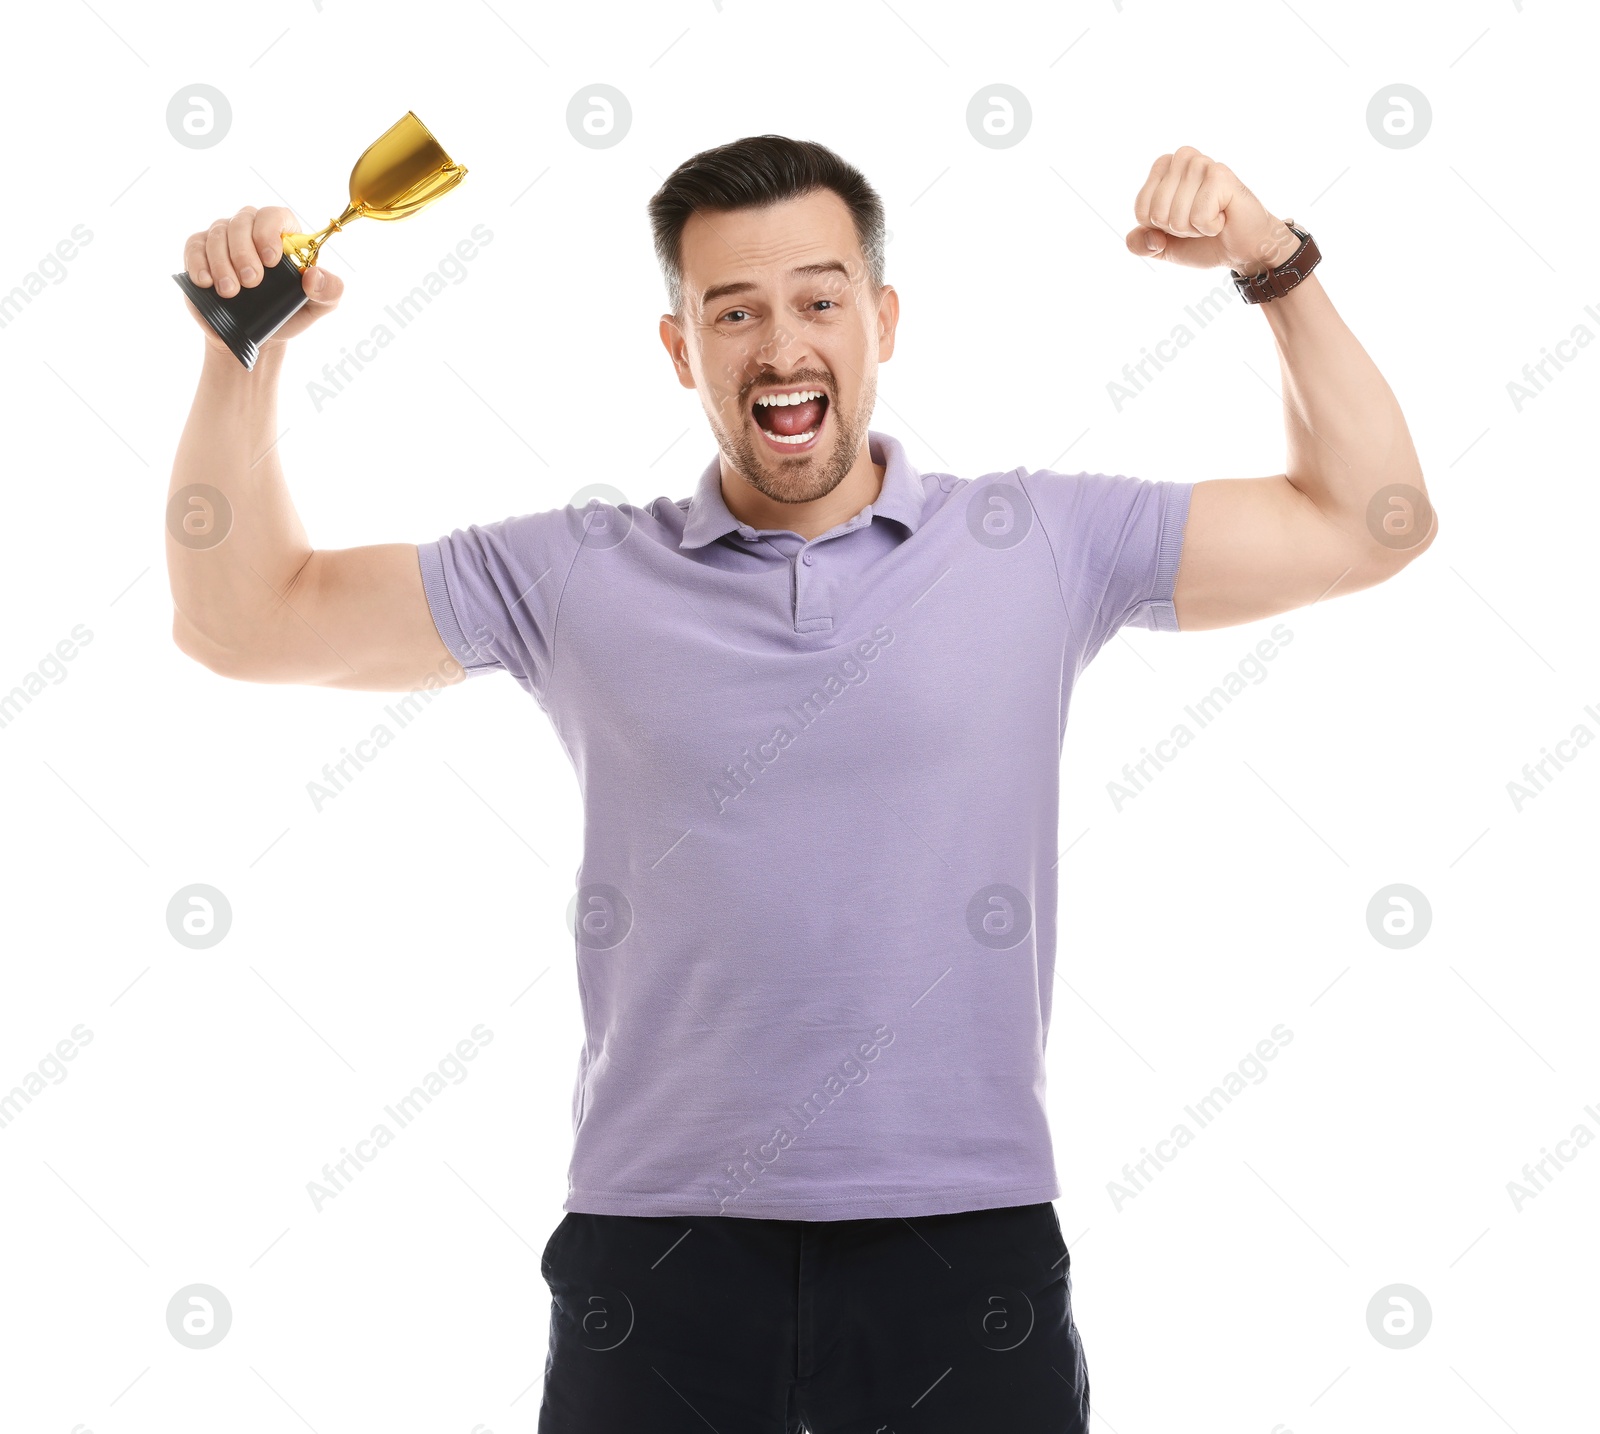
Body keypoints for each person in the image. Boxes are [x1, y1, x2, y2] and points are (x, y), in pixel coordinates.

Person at [168, 134, 1435, 1434]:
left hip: (965, 1247)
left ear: (881, 322)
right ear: (680, 349)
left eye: (820, 299)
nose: (782, 345)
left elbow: (1374, 519)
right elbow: (242, 618)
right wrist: (239, 350)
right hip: (655, 1261)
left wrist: (1271, 263)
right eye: (735, 311)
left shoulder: (1041, 543)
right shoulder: (573, 575)